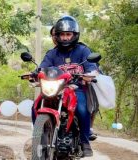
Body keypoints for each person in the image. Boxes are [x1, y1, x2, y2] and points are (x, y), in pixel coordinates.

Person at [37, 15, 99, 157]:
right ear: (57, 36)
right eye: (62, 34)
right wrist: (34, 73)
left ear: (74, 35)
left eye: (68, 34)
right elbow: (42, 68)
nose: (65, 38)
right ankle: (40, 136)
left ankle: (84, 142)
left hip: (76, 88)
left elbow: (91, 66)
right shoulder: (52, 53)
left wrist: (90, 74)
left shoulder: (83, 51)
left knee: (82, 109)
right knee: (36, 107)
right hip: (55, 89)